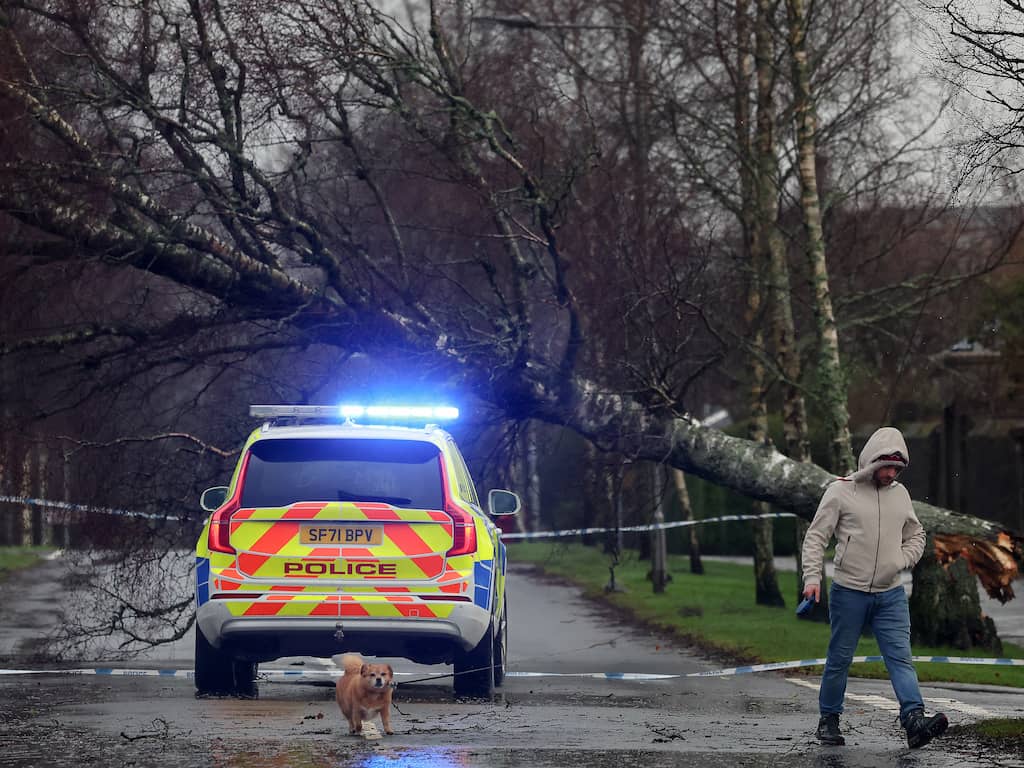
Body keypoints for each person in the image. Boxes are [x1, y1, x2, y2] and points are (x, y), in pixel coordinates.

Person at [801, 426, 949, 749]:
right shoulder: (841, 491)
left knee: (901, 659)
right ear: (871, 460)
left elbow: (917, 535)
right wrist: (812, 578)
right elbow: (815, 537)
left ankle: (914, 721)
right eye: (887, 466)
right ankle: (829, 721)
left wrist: (901, 560)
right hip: (848, 592)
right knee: (839, 659)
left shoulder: (900, 494)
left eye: (897, 468)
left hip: (891, 595)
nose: (891, 473)